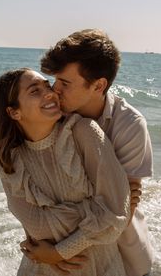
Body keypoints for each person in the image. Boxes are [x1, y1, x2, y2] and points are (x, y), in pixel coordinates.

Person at [0, 67, 131, 276]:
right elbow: (38, 228)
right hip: (41, 267)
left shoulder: (84, 132)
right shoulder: (8, 160)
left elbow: (117, 213)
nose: (50, 93)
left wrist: (59, 251)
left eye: (47, 85)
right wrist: (91, 211)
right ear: (14, 112)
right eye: (35, 91)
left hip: (99, 267)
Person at [38, 29, 154, 276]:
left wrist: (62, 251)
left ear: (99, 85)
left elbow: (122, 209)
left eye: (65, 83)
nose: (55, 89)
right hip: (64, 253)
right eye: (55, 80)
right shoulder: (52, 115)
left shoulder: (130, 125)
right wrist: (48, 249)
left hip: (124, 258)